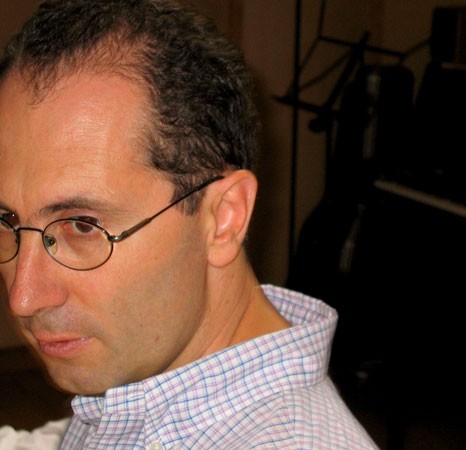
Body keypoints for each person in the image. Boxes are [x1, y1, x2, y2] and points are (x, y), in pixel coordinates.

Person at [0, 0, 379, 448]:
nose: (23, 298)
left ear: (224, 217)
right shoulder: (146, 373)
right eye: (5, 220)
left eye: (82, 226)